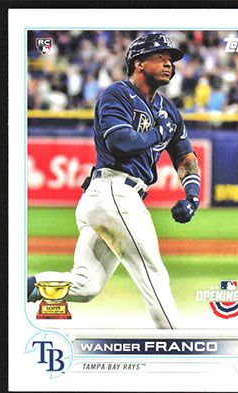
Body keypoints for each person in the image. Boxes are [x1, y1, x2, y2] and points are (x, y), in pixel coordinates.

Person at [27, 33, 201, 329]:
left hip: (114, 199)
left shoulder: (169, 111)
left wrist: (192, 196)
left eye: (171, 60)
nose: (169, 64)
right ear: (138, 63)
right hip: (114, 191)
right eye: (160, 57)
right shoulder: (116, 94)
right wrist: (157, 133)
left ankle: (14, 288)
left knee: (85, 285)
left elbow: (185, 158)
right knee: (153, 274)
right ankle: (177, 344)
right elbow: (121, 142)